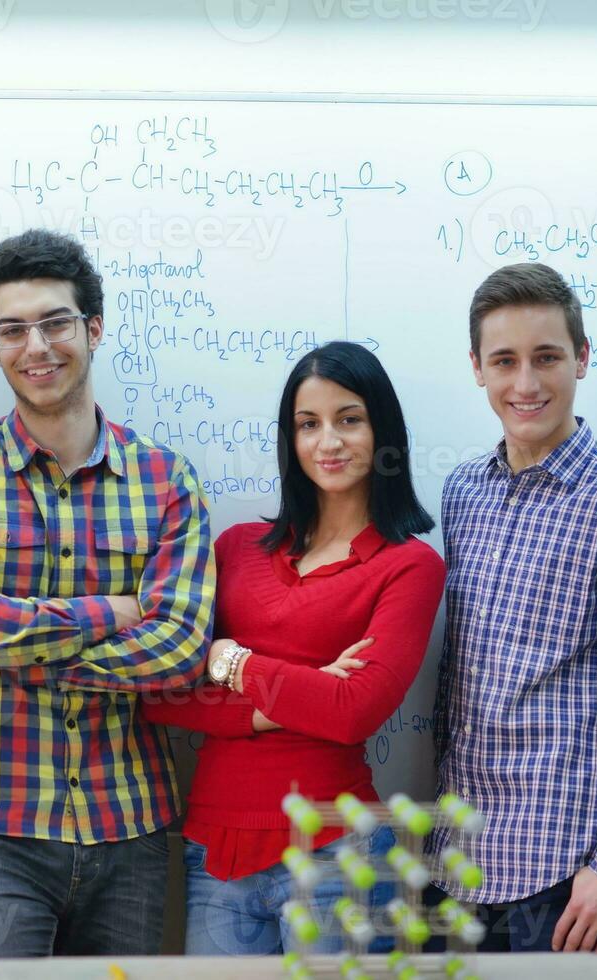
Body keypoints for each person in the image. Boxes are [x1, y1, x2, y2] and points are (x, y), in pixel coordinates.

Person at [0, 228, 215, 957]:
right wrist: (106, 616)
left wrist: (19, 654)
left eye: (54, 322)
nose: (35, 346)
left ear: (93, 327)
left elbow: (178, 649)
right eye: (12, 329)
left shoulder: (166, 481)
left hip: (130, 822)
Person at [141, 341, 445, 956]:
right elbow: (160, 693)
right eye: (309, 424)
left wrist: (233, 663)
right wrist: (295, 695)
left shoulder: (410, 566)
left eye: (349, 419)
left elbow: (354, 710)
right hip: (214, 852)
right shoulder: (235, 548)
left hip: (340, 852)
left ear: (382, 429)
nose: (328, 442)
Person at [427, 262, 597, 953]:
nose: (525, 384)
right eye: (503, 361)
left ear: (580, 357)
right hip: (456, 862)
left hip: (562, 873)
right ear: (476, 369)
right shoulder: (461, 493)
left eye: (545, 357)